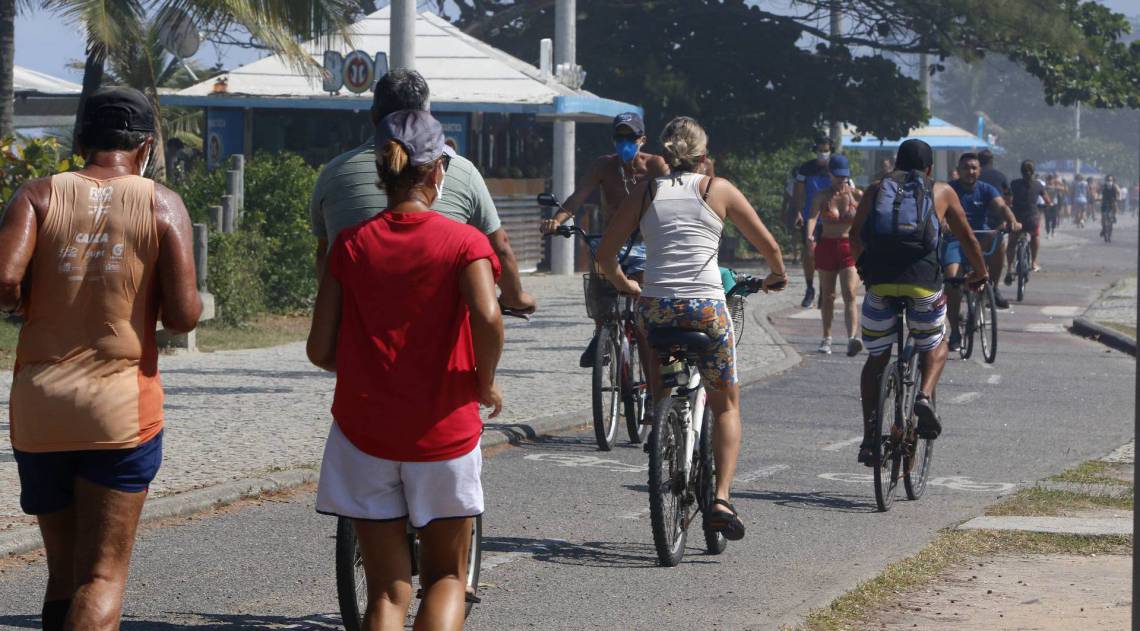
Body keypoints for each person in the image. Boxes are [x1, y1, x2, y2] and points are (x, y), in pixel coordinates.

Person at [0, 87, 202, 631]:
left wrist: (24, 301)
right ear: (146, 147)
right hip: (119, 409)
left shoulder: (36, 195)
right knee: (103, 577)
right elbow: (183, 316)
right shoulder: (161, 202)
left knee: (62, 572)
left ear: (82, 140)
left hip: (40, 408)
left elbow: (4, 278)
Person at [307, 110, 503, 630]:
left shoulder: (349, 245)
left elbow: (318, 348)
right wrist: (483, 382)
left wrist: (360, 368)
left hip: (363, 434)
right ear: (439, 172)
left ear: (381, 172)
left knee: (386, 594)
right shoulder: (464, 244)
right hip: (443, 433)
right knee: (445, 578)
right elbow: (487, 315)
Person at [597, 116, 787, 541]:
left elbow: (606, 255)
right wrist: (777, 275)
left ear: (665, 155)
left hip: (656, 308)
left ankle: (663, 426)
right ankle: (720, 498)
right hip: (706, 309)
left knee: (659, 354)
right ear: (704, 157)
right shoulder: (717, 189)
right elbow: (770, 247)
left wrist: (627, 283)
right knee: (727, 405)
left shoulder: (646, 191)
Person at [309, 69, 535, 315]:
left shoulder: (333, 175)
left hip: (357, 333)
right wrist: (515, 297)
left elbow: (324, 255)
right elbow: (499, 247)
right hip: (442, 336)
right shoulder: (463, 179)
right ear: (436, 173)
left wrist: (333, 315)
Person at [851, 139, 987, 464]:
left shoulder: (875, 189)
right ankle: (924, 395)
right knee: (938, 342)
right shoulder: (941, 191)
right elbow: (967, 237)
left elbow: (855, 235)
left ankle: (870, 438)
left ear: (896, 164)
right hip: (923, 284)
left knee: (876, 358)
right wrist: (980, 273)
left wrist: (865, 270)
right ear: (929, 169)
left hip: (880, 283)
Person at [540, 112, 670, 367]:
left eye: (630, 137)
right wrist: (556, 220)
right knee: (598, 258)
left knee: (643, 313)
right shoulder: (603, 166)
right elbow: (578, 198)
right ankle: (602, 331)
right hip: (614, 241)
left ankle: (652, 383)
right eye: (619, 137)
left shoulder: (655, 166)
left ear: (642, 139)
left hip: (645, 243)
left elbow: (674, 197)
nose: (624, 142)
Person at [942, 153, 1020, 351]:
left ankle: (992, 285)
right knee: (952, 282)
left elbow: (1002, 206)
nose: (970, 172)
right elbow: (939, 211)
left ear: (980, 170)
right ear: (958, 171)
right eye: (966, 168)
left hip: (979, 237)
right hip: (955, 240)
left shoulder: (987, 189)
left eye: (974, 168)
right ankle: (955, 333)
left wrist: (1011, 220)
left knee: (998, 238)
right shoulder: (949, 189)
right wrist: (943, 223)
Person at [805, 154, 864, 356]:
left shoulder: (856, 195)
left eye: (844, 177)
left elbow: (871, 213)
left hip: (849, 246)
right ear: (830, 175)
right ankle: (827, 337)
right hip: (827, 246)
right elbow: (812, 217)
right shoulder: (822, 196)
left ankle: (852, 338)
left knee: (850, 292)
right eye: (837, 176)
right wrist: (809, 236)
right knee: (828, 295)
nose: (841, 180)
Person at [792, 136, 836, 308]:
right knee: (809, 254)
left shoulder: (836, 168)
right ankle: (810, 287)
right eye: (820, 150)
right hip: (810, 216)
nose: (823, 154)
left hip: (831, 219)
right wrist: (798, 212)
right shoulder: (806, 168)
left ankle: (825, 290)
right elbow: (798, 194)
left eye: (826, 151)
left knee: (828, 256)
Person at [1008, 160, 1052, 275]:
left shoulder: (1014, 183)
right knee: (1035, 235)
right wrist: (1046, 205)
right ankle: (1033, 262)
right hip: (1031, 219)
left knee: (1012, 243)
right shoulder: (1038, 185)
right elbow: (1048, 200)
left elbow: (1008, 199)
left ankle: (1009, 267)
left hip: (1016, 219)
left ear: (1021, 171)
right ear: (1033, 172)